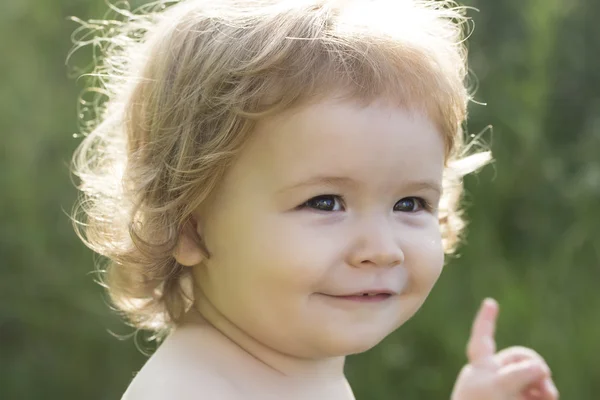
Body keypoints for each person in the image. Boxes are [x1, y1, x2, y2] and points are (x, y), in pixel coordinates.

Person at [70, 0, 559, 399]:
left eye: (409, 204)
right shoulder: (191, 391)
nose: (382, 248)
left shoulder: (285, 370)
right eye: (325, 203)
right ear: (187, 225)